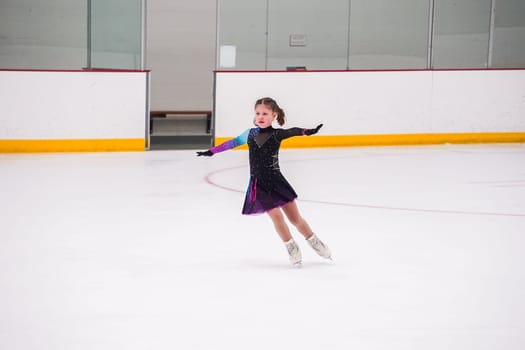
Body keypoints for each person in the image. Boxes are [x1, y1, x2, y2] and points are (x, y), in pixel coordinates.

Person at [197, 97, 331, 266]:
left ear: (274, 115)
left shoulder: (277, 134)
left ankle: (314, 241)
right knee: (276, 216)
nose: (260, 116)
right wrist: (212, 151)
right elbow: (232, 143)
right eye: (258, 113)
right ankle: (291, 246)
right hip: (258, 184)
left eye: (265, 113)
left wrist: (307, 131)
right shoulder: (250, 134)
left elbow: (293, 131)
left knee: (295, 219)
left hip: (277, 182)